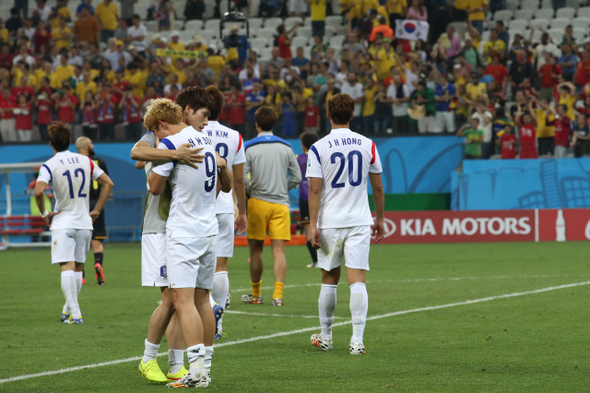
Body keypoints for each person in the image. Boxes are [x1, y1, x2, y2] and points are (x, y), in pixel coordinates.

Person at [148, 99, 232, 388]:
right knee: (201, 300)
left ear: (161, 125)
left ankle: (196, 373)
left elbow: (154, 187)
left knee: (182, 301)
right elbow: (225, 181)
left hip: (184, 231)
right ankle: (205, 367)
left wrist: (164, 155)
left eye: (156, 133)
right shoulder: (207, 139)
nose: (157, 140)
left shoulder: (172, 143)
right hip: (209, 229)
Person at [130, 98, 208, 384]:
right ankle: (148, 359)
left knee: (179, 298)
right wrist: (174, 154)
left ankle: (176, 364)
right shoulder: (154, 138)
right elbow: (136, 153)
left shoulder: (178, 137)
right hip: (158, 227)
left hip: (179, 228)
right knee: (170, 297)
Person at [306, 93, 385, 355]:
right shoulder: (368, 145)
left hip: (330, 221)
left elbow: (315, 190)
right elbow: (378, 187)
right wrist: (380, 218)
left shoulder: (318, 147)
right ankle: (357, 341)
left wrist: (312, 224)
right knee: (357, 281)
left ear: (328, 115)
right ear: (352, 115)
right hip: (359, 221)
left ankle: (326, 336)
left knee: (329, 278)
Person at [34, 121, 114, 324]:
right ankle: (68, 310)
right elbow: (108, 183)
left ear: (51, 143)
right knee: (78, 267)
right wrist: (96, 210)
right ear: (69, 141)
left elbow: (39, 190)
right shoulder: (86, 161)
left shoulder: (49, 165)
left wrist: (45, 213)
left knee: (66, 267)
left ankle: (76, 313)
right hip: (84, 222)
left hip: (63, 221)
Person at [194, 86, 248, 339]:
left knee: (197, 264)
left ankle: (201, 314)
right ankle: (219, 324)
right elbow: (239, 180)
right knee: (221, 264)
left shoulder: (193, 132)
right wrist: (242, 211)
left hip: (197, 206)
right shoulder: (234, 136)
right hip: (225, 206)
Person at [241, 107, 301, 307]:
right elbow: (297, 177)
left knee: (256, 251)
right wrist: (281, 187)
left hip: (257, 203)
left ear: (256, 124)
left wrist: (252, 189)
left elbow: (242, 179)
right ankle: (278, 296)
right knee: (279, 252)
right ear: (274, 124)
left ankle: (256, 294)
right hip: (281, 204)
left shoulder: (249, 147)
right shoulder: (286, 147)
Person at [75, 137, 110, 285]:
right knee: (97, 239)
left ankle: (81, 275)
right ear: (85, 147)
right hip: (97, 203)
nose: (93, 145)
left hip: (80, 204)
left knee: (80, 241)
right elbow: (106, 183)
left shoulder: (74, 163)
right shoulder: (99, 162)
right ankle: (98, 264)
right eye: (90, 143)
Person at [297, 131, 319, 268]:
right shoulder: (320, 157)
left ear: (303, 145)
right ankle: (325, 259)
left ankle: (316, 260)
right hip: (320, 196)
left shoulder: (298, 159)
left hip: (305, 197)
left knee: (309, 229)